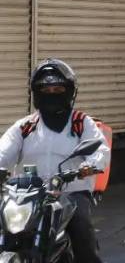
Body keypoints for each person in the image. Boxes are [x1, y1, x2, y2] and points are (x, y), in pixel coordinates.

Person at [0, 59, 109, 263]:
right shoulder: (25, 126)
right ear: (36, 92)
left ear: (69, 91)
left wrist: (89, 165)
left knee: (81, 228)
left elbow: (100, 149)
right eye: (46, 89)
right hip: (28, 195)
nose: (52, 93)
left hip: (71, 193)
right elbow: (3, 151)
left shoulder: (80, 122)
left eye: (58, 89)